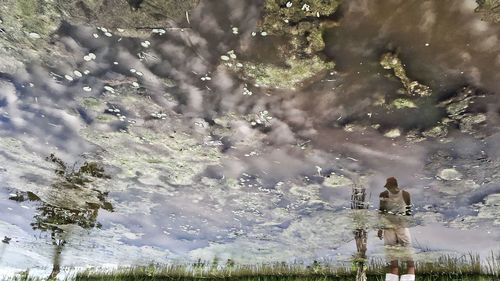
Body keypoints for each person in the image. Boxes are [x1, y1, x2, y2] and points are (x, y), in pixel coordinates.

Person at [377, 177, 415, 281]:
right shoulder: (404, 194)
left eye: (389, 187)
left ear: (393, 185)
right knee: (397, 256)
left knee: (406, 257)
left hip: (396, 226)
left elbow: (381, 212)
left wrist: (380, 228)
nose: (388, 189)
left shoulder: (404, 194)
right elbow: (408, 212)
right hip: (394, 226)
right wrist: (380, 228)